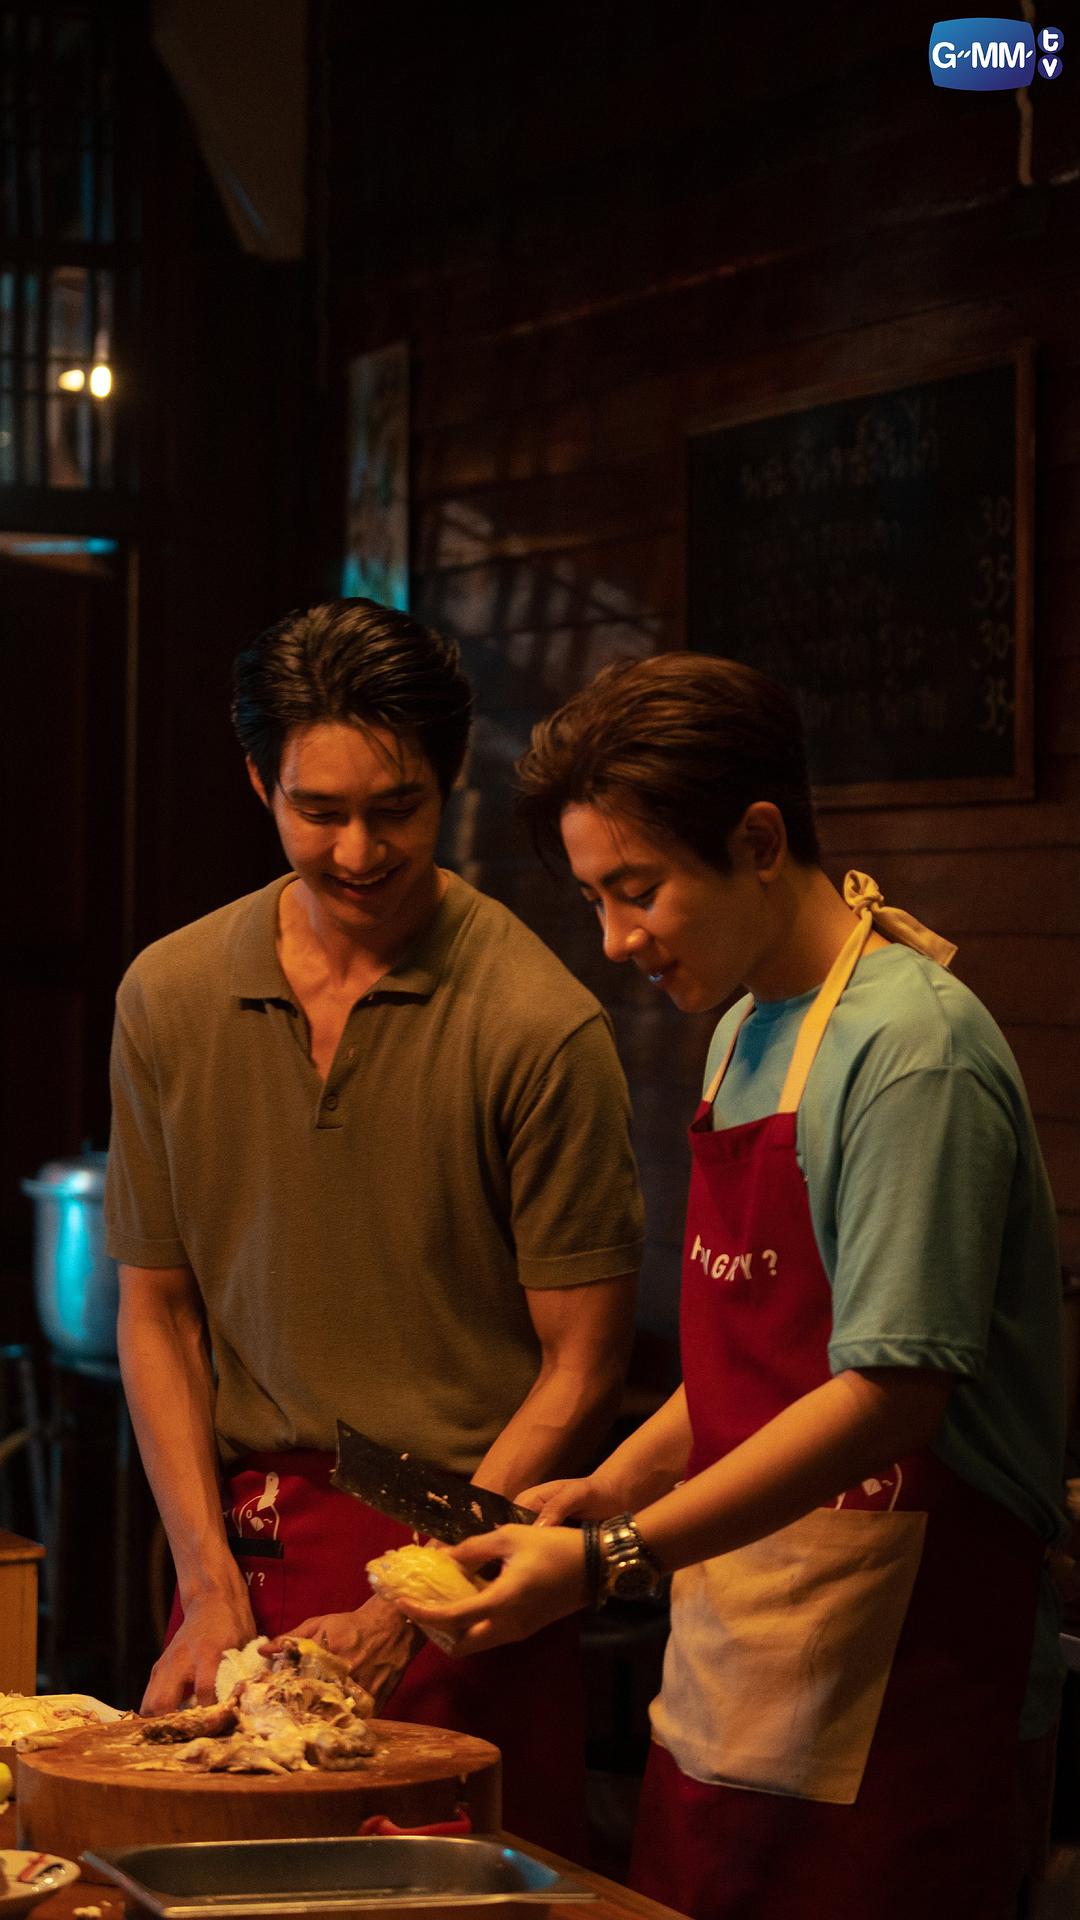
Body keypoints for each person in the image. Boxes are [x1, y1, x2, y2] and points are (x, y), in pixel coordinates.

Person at [391, 652, 1066, 1920]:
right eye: (595, 898)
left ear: (758, 840)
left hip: (912, 1682)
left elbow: (888, 1396)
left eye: (638, 891)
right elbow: (750, 1366)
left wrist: (607, 1559)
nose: (615, 941)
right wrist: (609, 1488)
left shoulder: (911, 1052)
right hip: (741, 1660)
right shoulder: (743, 1029)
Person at [104, 599, 644, 1852]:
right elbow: (157, 1311)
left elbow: (583, 1365)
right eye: (319, 810)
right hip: (241, 1558)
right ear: (260, 782)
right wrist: (204, 1583)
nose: (358, 851)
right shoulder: (168, 996)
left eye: (396, 809)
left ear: (450, 784)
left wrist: (413, 1600)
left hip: (472, 1563)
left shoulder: (537, 1023)